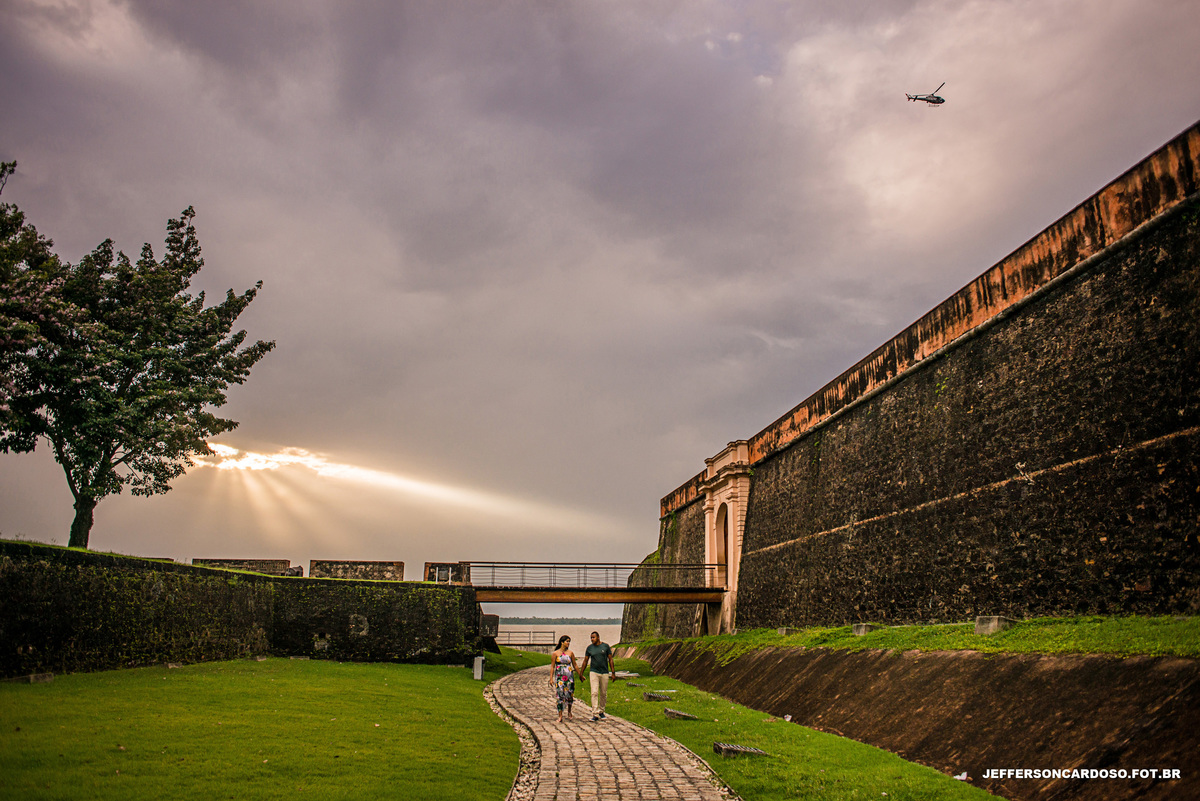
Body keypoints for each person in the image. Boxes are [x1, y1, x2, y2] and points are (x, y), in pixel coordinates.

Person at [583, 631, 616, 721]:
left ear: (598, 637)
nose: (592, 639)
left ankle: (601, 711)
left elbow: (610, 659)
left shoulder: (605, 646)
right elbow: (585, 661)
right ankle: (595, 713)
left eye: (593, 637)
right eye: (591, 638)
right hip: (594, 672)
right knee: (594, 692)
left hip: (604, 672)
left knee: (603, 693)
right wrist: (581, 673)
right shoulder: (589, 648)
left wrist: (613, 673)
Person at [551, 634, 582, 723]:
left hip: (569, 676)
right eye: (567, 641)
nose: (568, 643)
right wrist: (551, 678)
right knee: (560, 695)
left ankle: (569, 711)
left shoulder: (570, 653)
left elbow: (575, 665)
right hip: (559, 677)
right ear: (562, 642)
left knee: (569, 694)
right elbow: (552, 666)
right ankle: (560, 715)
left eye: (569, 641)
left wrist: (580, 675)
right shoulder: (555, 653)